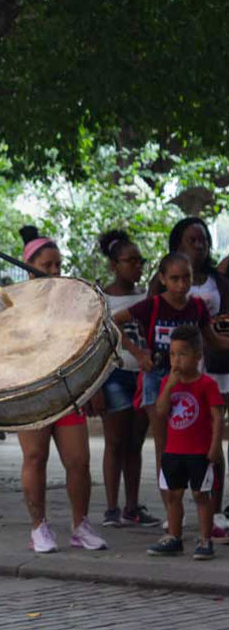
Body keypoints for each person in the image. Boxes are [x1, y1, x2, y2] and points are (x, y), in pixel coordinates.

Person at [14, 227, 108, 554]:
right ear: (30, 267)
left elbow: (85, 345)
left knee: (79, 461)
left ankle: (80, 525)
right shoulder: (15, 303)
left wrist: (91, 386)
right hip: (30, 394)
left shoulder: (72, 299)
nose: (55, 271)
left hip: (68, 393)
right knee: (35, 457)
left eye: (58, 264)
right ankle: (38, 527)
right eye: (48, 265)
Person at [151, 217, 229, 537]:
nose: (200, 245)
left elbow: (217, 330)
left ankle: (216, 512)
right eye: (191, 240)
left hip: (212, 369)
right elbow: (147, 324)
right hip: (173, 373)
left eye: (203, 240)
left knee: (212, 441)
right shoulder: (162, 286)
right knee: (170, 444)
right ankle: (174, 514)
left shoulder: (218, 280)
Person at [96, 229, 160, 528]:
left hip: (143, 375)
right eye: (130, 260)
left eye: (140, 260)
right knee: (115, 442)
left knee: (135, 443)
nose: (137, 265)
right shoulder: (102, 297)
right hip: (115, 375)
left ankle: (132, 506)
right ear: (114, 265)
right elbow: (98, 342)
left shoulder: (148, 296)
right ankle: (112, 508)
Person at [147, 325, 224, 559]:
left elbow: (218, 417)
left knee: (201, 495)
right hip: (174, 450)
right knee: (173, 495)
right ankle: (174, 536)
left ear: (197, 356)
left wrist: (215, 447)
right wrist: (169, 386)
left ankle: (204, 539)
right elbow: (160, 412)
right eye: (172, 354)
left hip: (198, 450)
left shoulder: (207, 384)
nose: (176, 360)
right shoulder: (168, 384)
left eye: (182, 354)